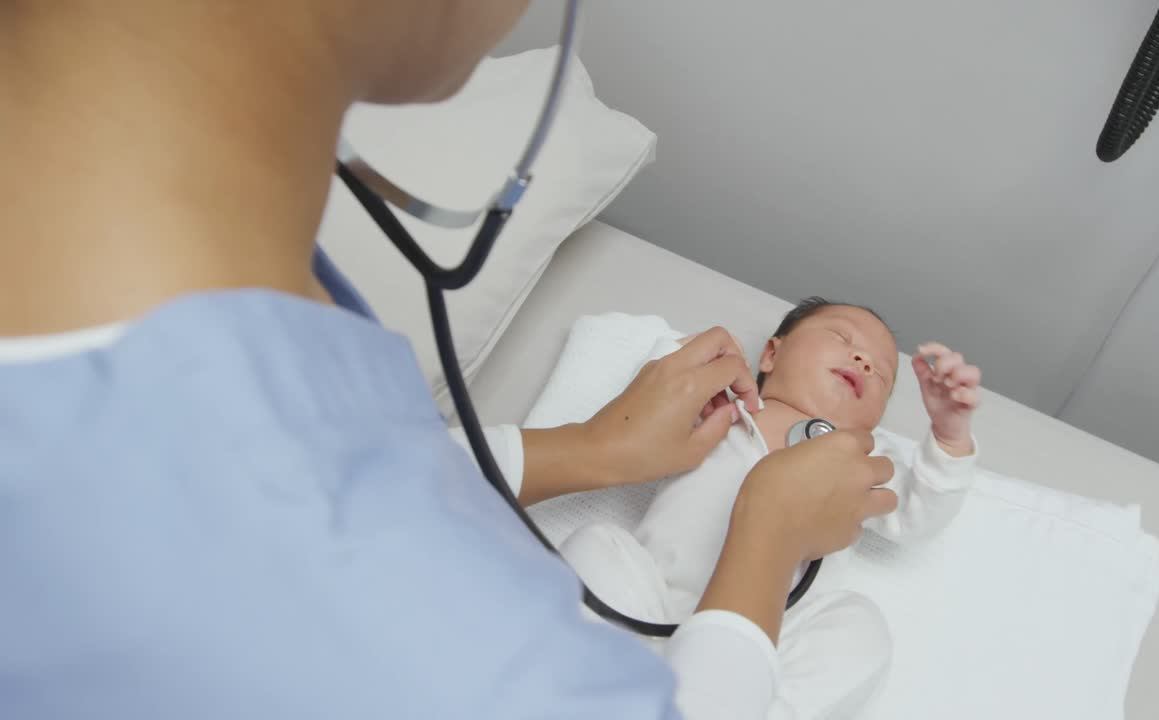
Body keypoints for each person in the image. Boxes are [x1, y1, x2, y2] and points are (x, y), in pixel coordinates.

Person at [0, 2, 898, 719]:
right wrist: (766, 537)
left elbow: (342, 453)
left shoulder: (213, 268)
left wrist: (584, 452)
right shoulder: (423, 642)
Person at [558, 298, 984, 718]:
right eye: (841, 337)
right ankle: (602, 692)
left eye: (882, 374)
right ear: (771, 354)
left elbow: (917, 513)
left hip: (767, 640)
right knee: (599, 545)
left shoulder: (863, 460)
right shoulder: (725, 405)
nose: (863, 361)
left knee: (859, 628)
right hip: (650, 604)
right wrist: (686, 358)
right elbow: (651, 404)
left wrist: (949, 437)